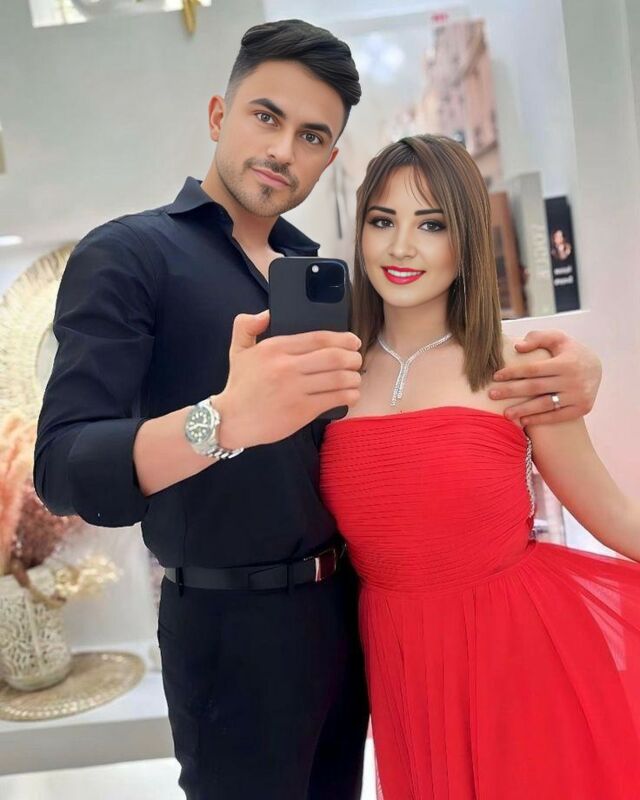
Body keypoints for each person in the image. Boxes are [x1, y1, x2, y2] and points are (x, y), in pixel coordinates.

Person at [34, 19, 601, 800]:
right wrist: (222, 421)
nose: (283, 150)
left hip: (353, 619)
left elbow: (423, 372)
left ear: (330, 158)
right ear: (218, 115)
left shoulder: (319, 277)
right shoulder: (130, 256)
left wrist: (575, 371)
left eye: (311, 136)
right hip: (229, 629)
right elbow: (64, 470)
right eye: (265, 116)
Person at [319, 134, 640, 800]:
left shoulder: (516, 369)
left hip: (514, 656)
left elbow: (611, 515)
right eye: (383, 220)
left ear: (465, 239)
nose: (401, 247)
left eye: (431, 225)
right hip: (399, 663)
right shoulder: (330, 373)